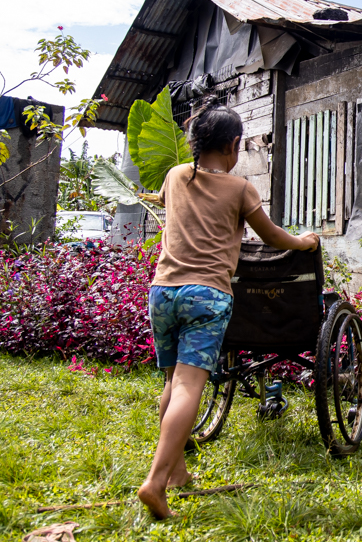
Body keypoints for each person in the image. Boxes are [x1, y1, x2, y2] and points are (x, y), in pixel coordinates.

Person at [137, 101, 319, 520]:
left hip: (163, 292)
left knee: (171, 383)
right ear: (234, 144)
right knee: (187, 387)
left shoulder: (175, 175)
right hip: (207, 296)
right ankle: (156, 482)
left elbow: (168, 200)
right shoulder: (239, 189)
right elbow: (272, 237)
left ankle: (179, 472)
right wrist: (305, 241)